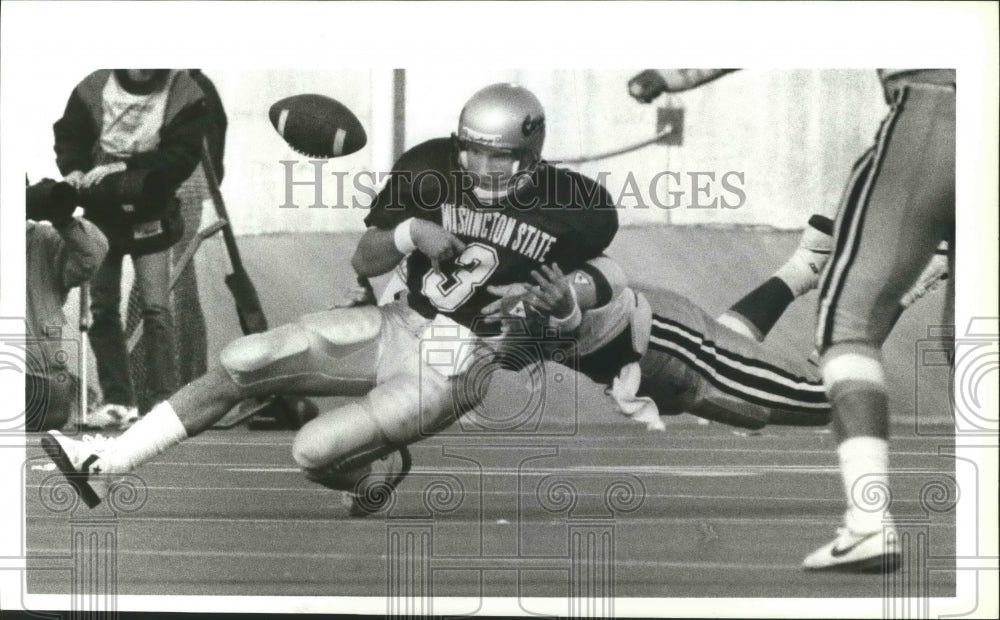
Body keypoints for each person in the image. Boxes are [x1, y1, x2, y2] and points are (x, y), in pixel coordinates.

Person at [42, 83, 619, 516]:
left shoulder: (575, 206)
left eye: (501, 158)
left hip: (458, 361)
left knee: (312, 452)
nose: (482, 168)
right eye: (472, 153)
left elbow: (594, 290)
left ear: (532, 155)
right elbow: (364, 260)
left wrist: (560, 301)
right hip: (399, 320)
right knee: (246, 359)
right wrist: (410, 232)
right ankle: (108, 461)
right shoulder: (430, 167)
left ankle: (371, 471)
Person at [627, 67, 956, 572]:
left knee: (842, 340)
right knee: (973, 338)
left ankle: (868, 523)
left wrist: (675, 75)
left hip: (937, 114)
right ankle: (830, 262)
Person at [53, 69, 209, 429]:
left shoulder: (184, 90)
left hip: (150, 208)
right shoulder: (95, 87)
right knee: (103, 309)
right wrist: (74, 169)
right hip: (102, 211)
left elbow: (182, 156)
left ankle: (162, 404)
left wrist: (128, 165)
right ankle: (118, 401)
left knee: (156, 309)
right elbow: (69, 133)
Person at [25, 179, 109, 432]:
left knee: (49, 410)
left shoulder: (44, 240)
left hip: (36, 375)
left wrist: (64, 220)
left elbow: (92, 255)